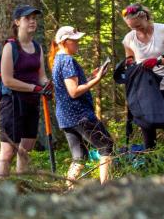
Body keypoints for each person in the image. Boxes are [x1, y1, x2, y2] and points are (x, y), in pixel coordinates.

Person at [121, 3, 164, 172]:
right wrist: (129, 64)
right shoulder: (129, 39)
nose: (136, 30)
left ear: (144, 17)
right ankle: (153, 174)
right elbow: (129, 60)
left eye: (138, 26)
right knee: (148, 136)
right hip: (145, 91)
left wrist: (159, 61)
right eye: (132, 28)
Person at [49, 26, 115, 185]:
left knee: (80, 156)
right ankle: (107, 189)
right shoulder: (68, 61)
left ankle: (67, 189)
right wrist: (96, 79)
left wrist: (89, 78)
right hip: (79, 115)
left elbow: (68, 88)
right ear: (65, 42)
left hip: (65, 117)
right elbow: (73, 92)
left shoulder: (58, 59)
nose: (78, 42)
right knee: (106, 145)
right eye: (75, 40)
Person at [0, 5, 51, 179]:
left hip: (31, 103)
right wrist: (33, 87)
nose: (32, 21)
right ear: (17, 22)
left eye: (34, 18)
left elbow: (41, 76)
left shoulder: (37, 47)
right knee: (8, 151)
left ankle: (22, 188)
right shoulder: (10, 47)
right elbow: (7, 80)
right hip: (11, 103)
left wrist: (47, 85)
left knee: (25, 148)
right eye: (28, 18)